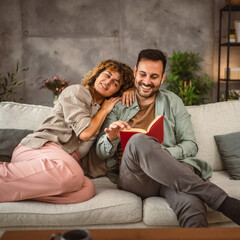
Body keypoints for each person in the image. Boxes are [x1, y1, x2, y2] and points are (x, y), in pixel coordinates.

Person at [96, 49, 240, 227]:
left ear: (162, 78)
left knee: (192, 205)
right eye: (142, 74)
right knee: (138, 141)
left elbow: (191, 145)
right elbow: (100, 153)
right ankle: (223, 202)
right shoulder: (119, 105)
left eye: (154, 76)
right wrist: (110, 138)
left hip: (173, 173)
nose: (147, 81)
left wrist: (160, 155)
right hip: (136, 177)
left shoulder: (173, 102)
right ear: (135, 72)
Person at [0, 59, 134, 204]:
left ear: (118, 90)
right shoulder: (77, 92)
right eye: (107, 75)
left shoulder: (111, 111)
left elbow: (145, 91)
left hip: (59, 165)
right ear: (97, 74)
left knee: (86, 189)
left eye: (115, 83)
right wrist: (103, 110)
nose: (108, 82)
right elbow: (85, 133)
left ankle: (20, 190)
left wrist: (132, 89)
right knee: (74, 174)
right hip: (39, 148)